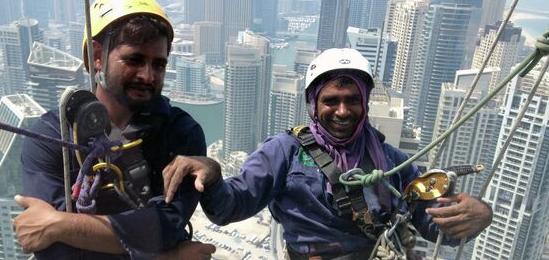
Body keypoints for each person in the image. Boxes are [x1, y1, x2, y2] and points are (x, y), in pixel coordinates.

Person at [162, 48, 493, 259]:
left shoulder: (391, 160)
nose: (343, 110)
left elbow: (433, 224)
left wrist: (477, 215)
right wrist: (213, 173)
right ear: (313, 104)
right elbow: (230, 207)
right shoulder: (284, 152)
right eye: (331, 100)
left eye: (352, 99)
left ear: (364, 103)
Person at [13, 0, 215, 259]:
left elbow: (163, 228)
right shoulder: (51, 137)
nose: (148, 76)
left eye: (159, 64)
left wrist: (60, 224)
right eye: (134, 60)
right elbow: (53, 247)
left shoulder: (180, 133)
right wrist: (165, 257)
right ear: (97, 56)